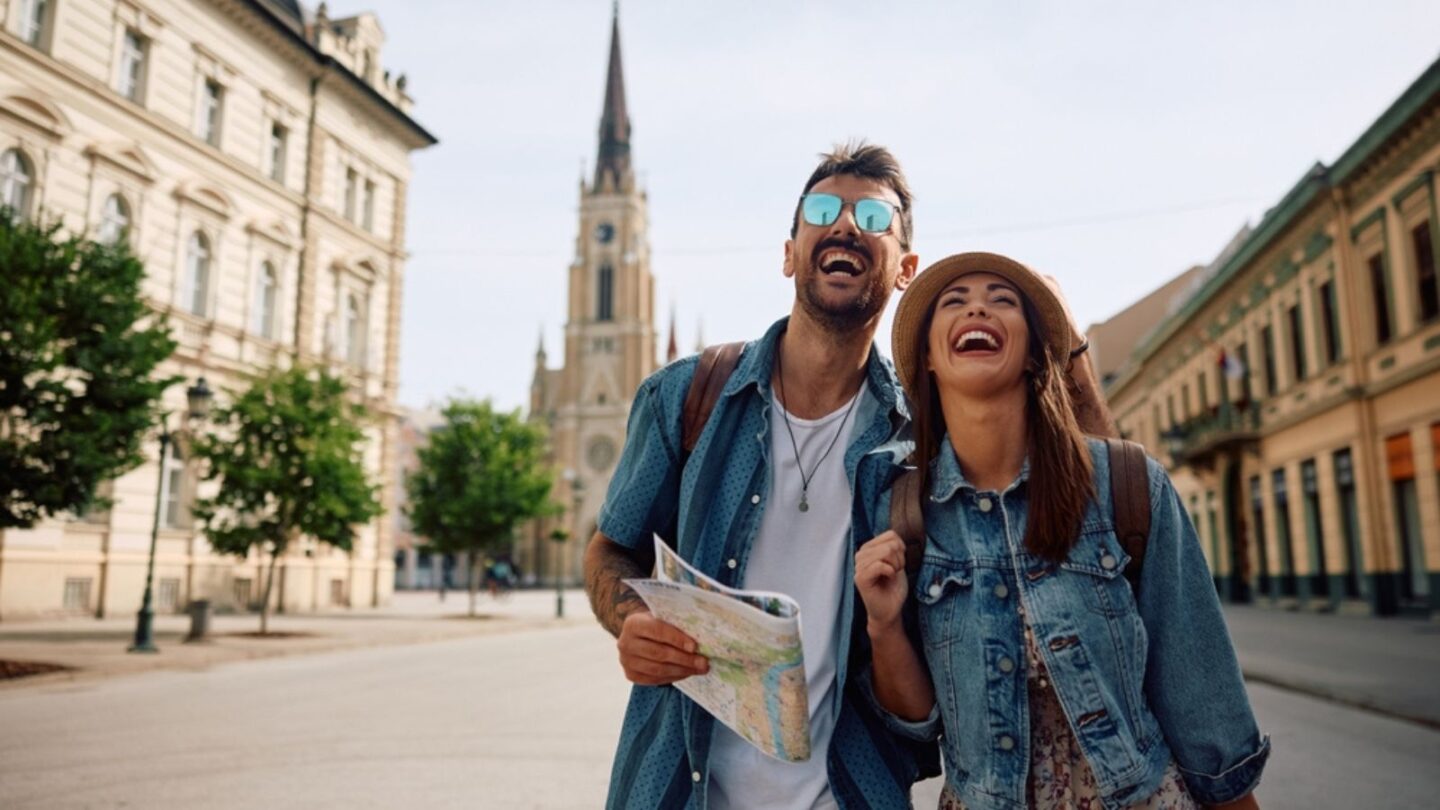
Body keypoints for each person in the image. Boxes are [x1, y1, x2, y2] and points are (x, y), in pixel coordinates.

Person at [856, 252, 1269, 810]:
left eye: (1002, 300)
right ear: (927, 357)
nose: (977, 306)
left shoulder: (1125, 484)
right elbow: (916, 723)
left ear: (1032, 354)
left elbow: (1202, 694)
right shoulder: (902, 515)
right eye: (954, 302)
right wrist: (883, 625)